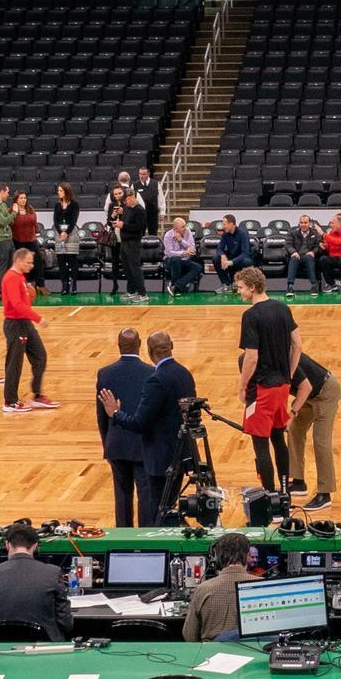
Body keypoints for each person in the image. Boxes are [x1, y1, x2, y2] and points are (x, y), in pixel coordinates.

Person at [100, 331, 197, 520]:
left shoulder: (156, 379)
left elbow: (140, 422)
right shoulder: (184, 373)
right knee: (168, 505)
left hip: (160, 458)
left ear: (149, 351)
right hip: (180, 453)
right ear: (172, 345)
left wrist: (116, 414)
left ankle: (153, 544)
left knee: (159, 512)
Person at [235, 266, 301, 492]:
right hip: (282, 386)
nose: (239, 292)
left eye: (241, 288)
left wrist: (242, 386)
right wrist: (290, 374)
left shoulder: (251, 315)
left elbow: (251, 357)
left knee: (260, 445)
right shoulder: (283, 308)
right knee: (278, 439)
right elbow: (298, 344)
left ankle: (270, 496)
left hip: (262, 389)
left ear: (252, 287)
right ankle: (284, 494)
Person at [95, 329, 155, 526]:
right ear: (140, 344)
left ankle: (123, 536)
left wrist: (107, 442)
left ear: (119, 346)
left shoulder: (105, 374)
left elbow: (101, 414)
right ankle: (146, 537)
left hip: (116, 443)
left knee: (122, 495)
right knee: (145, 494)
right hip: (143, 444)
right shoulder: (152, 373)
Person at [0, 523, 71, 639]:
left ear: (7, 545)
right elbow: (66, 623)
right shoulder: (53, 572)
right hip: (45, 648)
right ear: (35, 546)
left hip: (3, 646)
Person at [0, 250, 53, 414]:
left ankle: (37, 395)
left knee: (40, 356)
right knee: (14, 363)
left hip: (25, 323)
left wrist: (29, 297)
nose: (31, 265)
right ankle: (10, 401)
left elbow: (23, 302)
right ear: (19, 261)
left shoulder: (20, 277)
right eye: (28, 262)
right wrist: (38, 318)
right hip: (15, 325)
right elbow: (16, 305)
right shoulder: (11, 278)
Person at [284, 353, 341, 512]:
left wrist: (291, 413)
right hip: (308, 395)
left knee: (320, 441)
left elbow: (305, 386)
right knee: (295, 430)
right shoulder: (273, 358)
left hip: (326, 392)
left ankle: (325, 493)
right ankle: (298, 482)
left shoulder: (285, 357)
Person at [183, 532, 257, 641]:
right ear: (247, 556)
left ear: (216, 560)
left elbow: (189, 636)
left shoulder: (202, 590)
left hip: (211, 655)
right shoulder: (264, 586)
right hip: (255, 654)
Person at [114, 185, 153, 301]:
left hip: (133, 243)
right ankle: (131, 290)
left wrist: (123, 225)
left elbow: (139, 227)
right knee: (127, 268)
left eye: (126, 200)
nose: (125, 202)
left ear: (132, 197)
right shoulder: (126, 208)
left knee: (135, 268)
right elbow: (124, 220)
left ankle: (143, 294)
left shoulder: (140, 210)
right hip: (124, 243)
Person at [48, 183, 82, 295]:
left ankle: (74, 284)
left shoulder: (74, 204)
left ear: (66, 191)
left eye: (61, 190)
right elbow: (55, 221)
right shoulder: (57, 205)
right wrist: (60, 232)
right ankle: (64, 285)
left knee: (72, 260)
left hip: (71, 233)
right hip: (59, 234)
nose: (59, 192)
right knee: (61, 260)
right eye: (58, 190)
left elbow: (74, 220)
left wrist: (66, 232)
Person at [162, 215, 201, 296]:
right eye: (183, 227)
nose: (185, 228)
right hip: (170, 261)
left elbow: (192, 248)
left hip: (185, 260)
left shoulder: (188, 231)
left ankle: (176, 287)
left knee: (198, 267)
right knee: (176, 259)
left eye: (185, 226)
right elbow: (169, 253)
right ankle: (177, 287)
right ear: (176, 229)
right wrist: (184, 253)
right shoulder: (168, 236)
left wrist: (181, 240)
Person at [213, 215, 256, 281]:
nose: (223, 227)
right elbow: (219, 248)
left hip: (241, 259)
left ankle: (245, 283)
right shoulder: (225, 234)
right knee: (216, 258)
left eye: (225, 224)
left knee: (247, 261)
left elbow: (245, 253)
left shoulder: (242, 233)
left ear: (231, 224)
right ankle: (226, 284)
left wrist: (231, 262)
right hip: (231, 257)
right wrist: (222, 255)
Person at [287, 214, 323, 294]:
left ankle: (314, 286)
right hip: (297, 255)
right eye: (301, 222)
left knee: (309, 258)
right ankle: (290, 287)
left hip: (309, 256)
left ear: (309, 223)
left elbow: (318, 246)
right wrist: (293, 252)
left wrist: (313, 252)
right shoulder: (293, 233)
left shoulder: (315, 233)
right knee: (293, 259)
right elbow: (288, 245)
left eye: (305, 222)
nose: (303, 225)